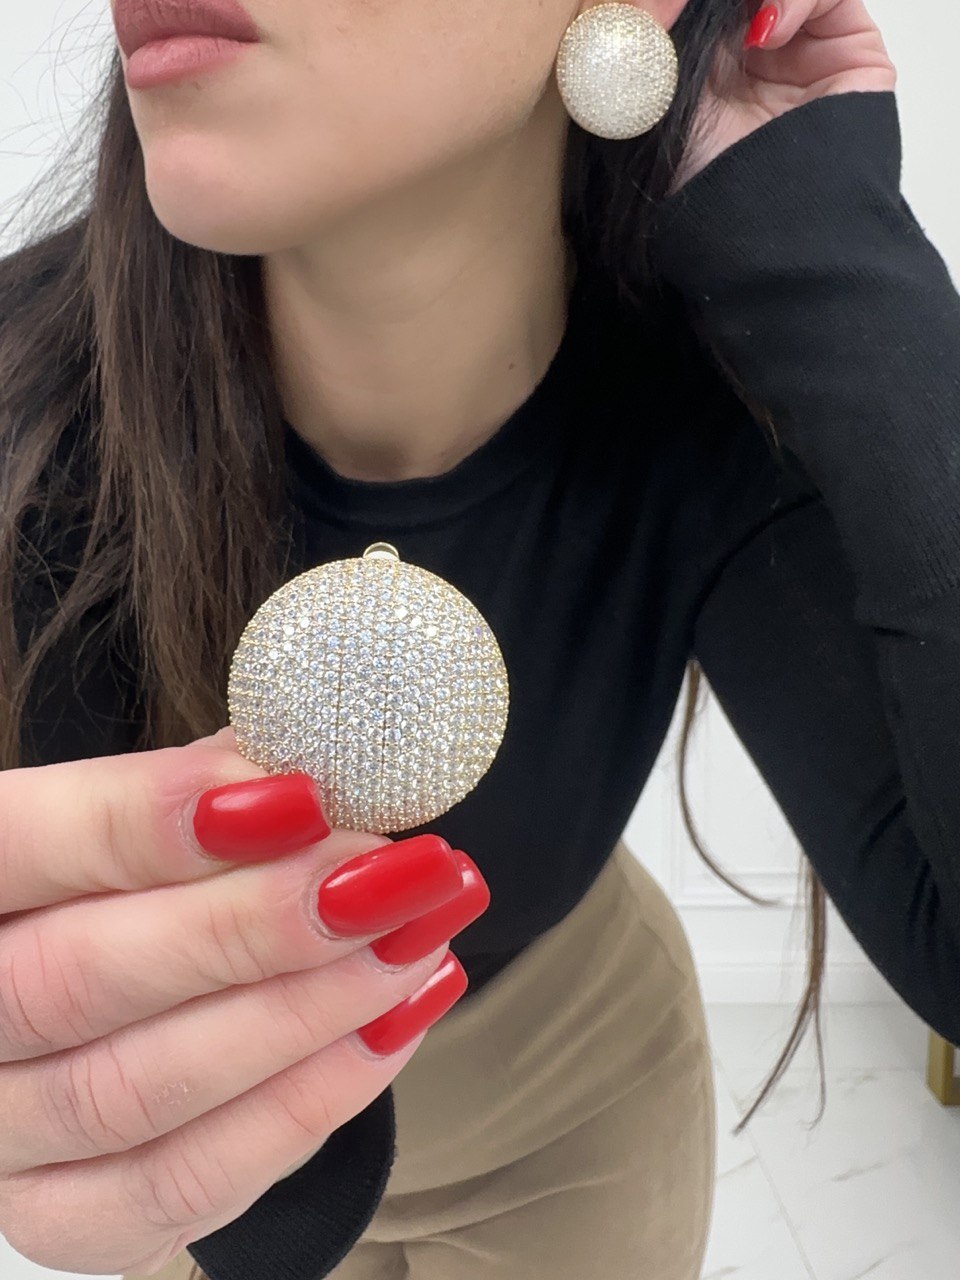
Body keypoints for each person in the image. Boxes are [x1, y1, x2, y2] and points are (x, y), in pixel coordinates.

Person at [0, 0, 957, 1277]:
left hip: (574, 1104)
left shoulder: (710, 406)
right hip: (201, 1148)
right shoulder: (27, 400)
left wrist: (839, 245)